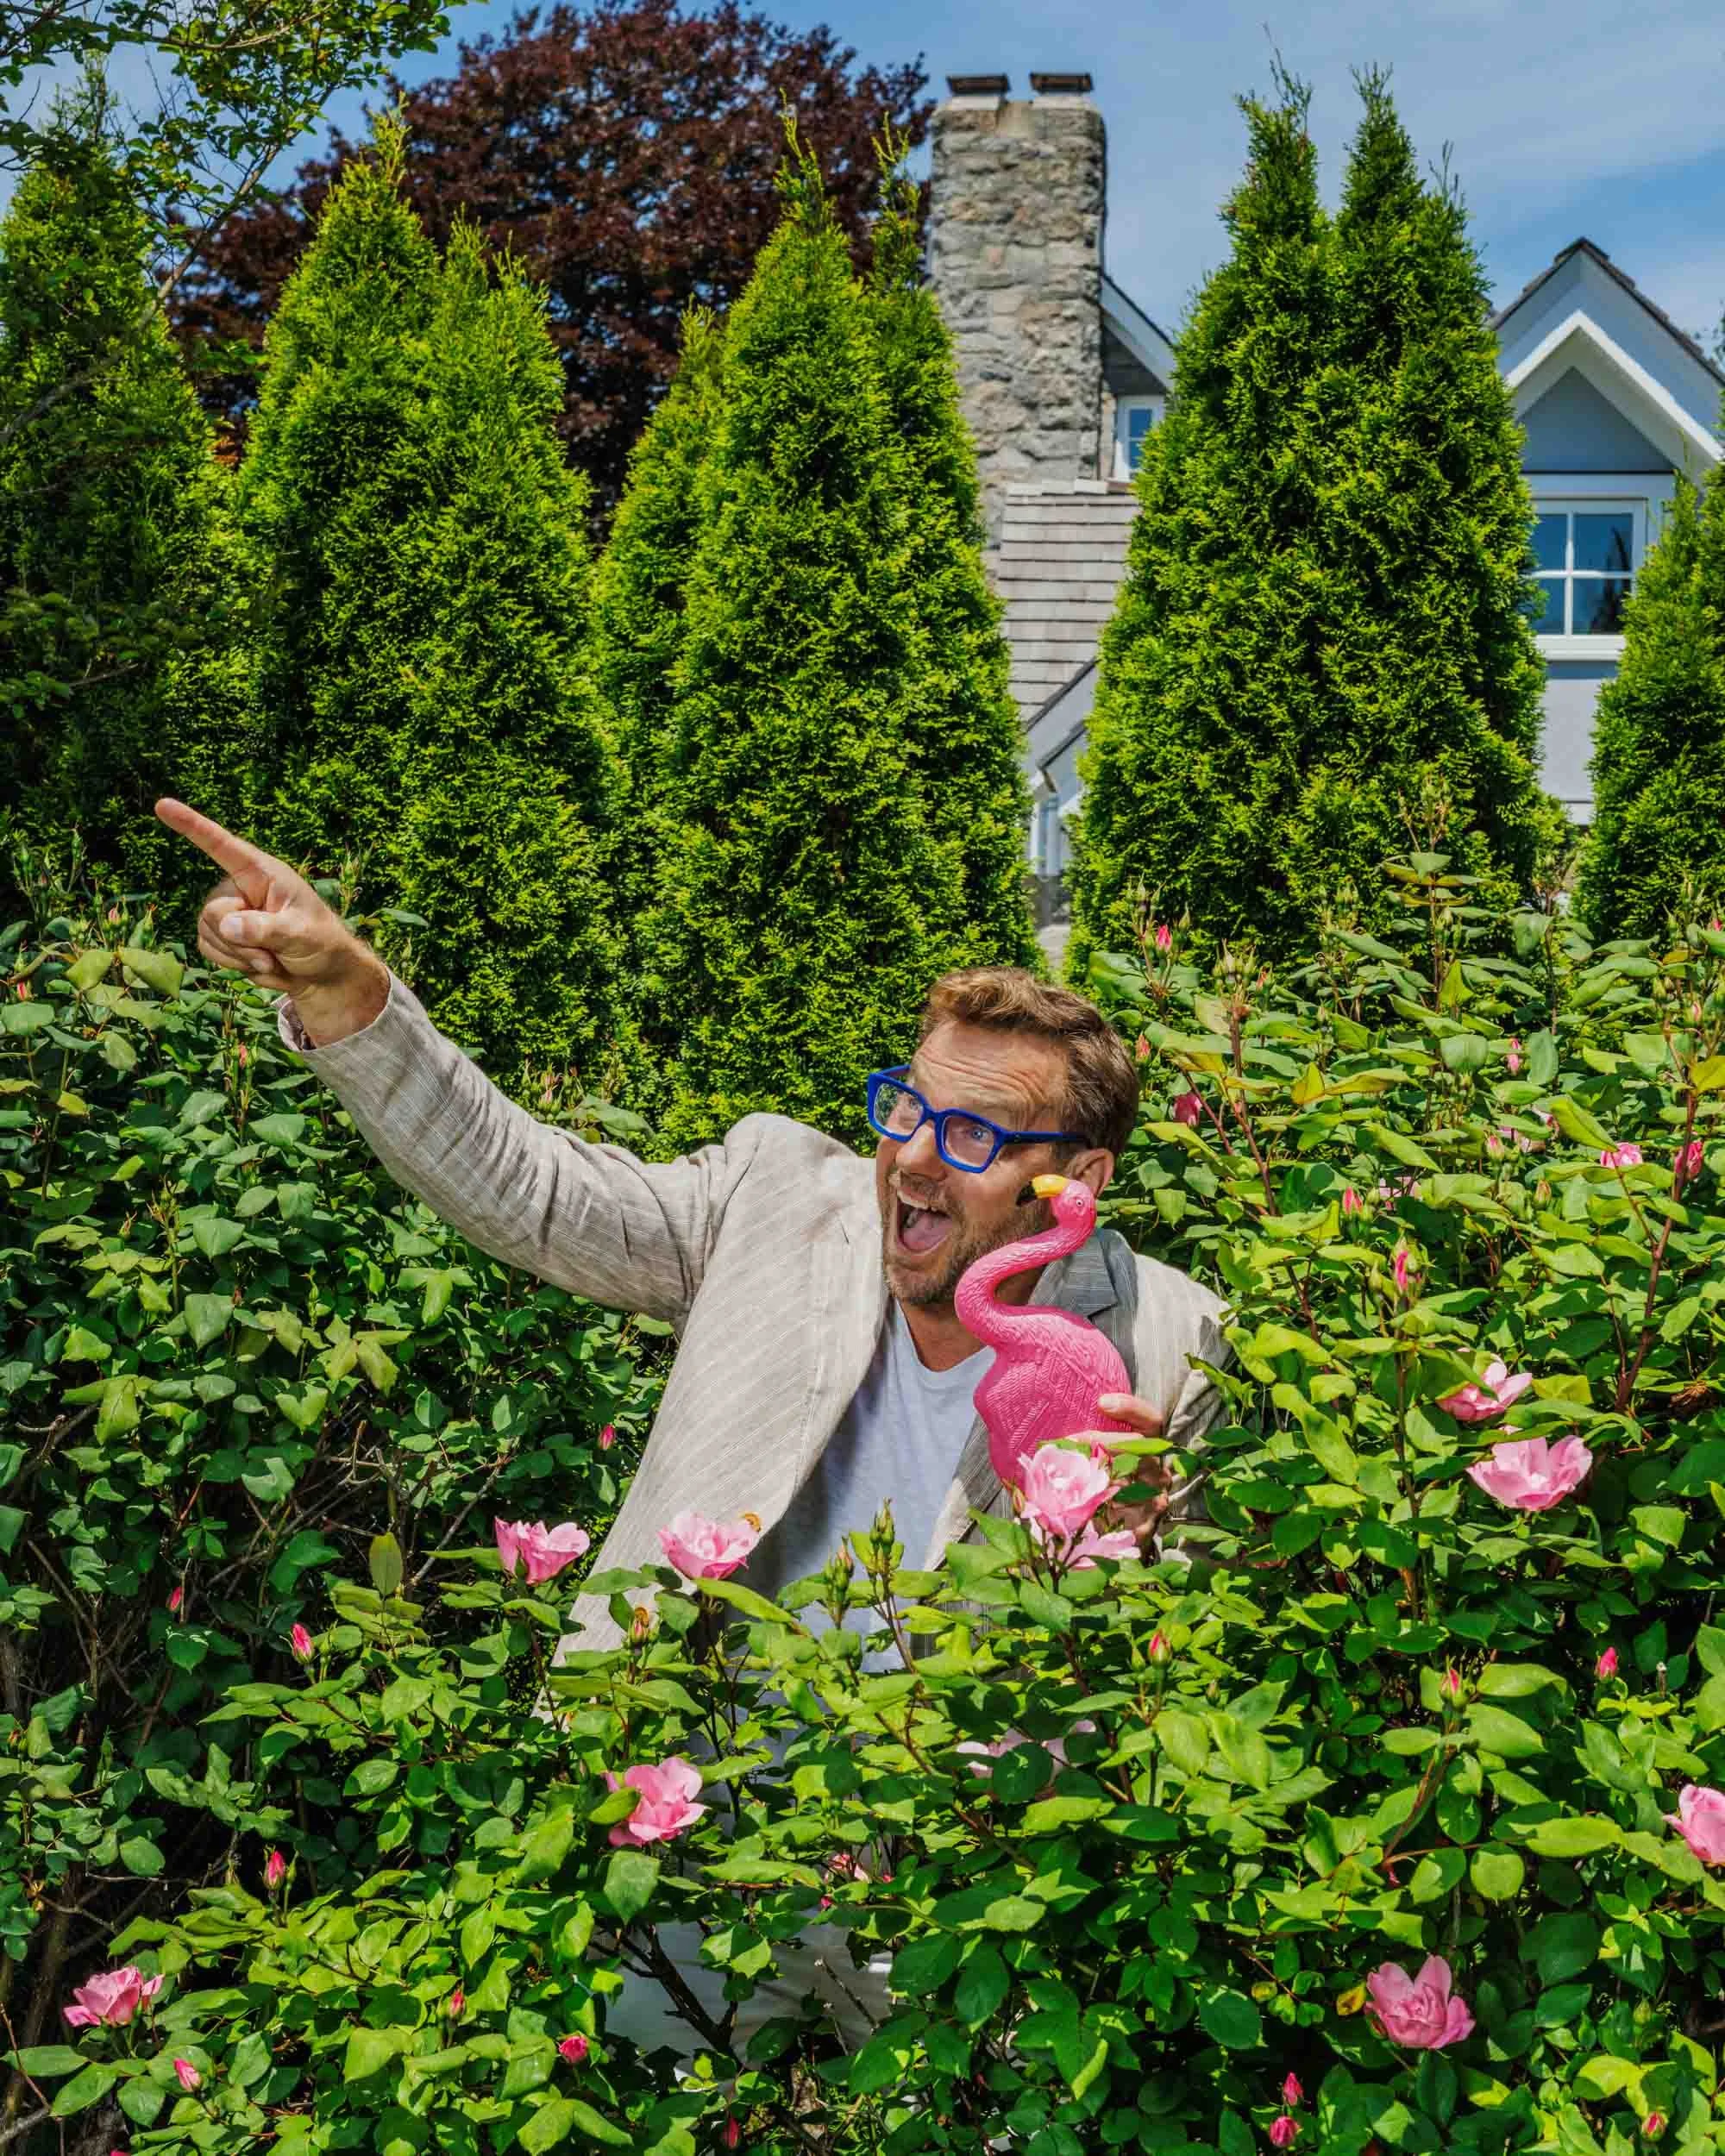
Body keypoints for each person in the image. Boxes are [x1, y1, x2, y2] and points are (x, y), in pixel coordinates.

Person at [154, 796, 1228, 2048]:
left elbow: (1188, 1669)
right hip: (692, 1841)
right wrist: (350, 995)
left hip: (955, 1887)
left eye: (976, 1134)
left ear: (1076, 1183)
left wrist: (1148, 1553)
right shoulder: (778, 1201)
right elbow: (529, 1188)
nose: (917, 1161)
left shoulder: (1164, 1350)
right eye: (905, 1107)